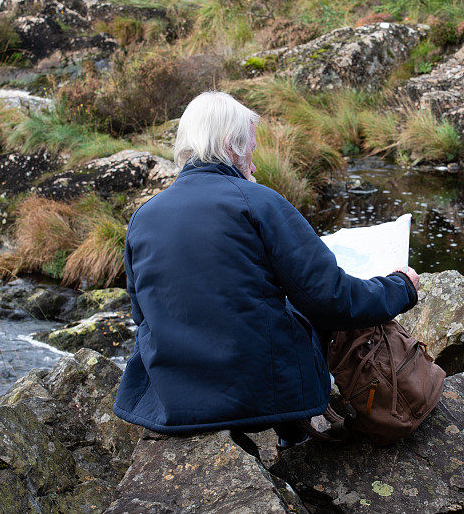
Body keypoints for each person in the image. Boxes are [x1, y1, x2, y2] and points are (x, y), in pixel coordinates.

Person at [112, 91, 420, 447]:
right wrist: (401, 287)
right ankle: (298, 438)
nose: (255, 166)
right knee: (302, 311)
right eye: (252, 151)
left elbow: (142, 314)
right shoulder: (258, 202)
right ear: (231, 145)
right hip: (257, 395)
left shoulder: (143, 217)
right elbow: (331, 298)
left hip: (170, 402)